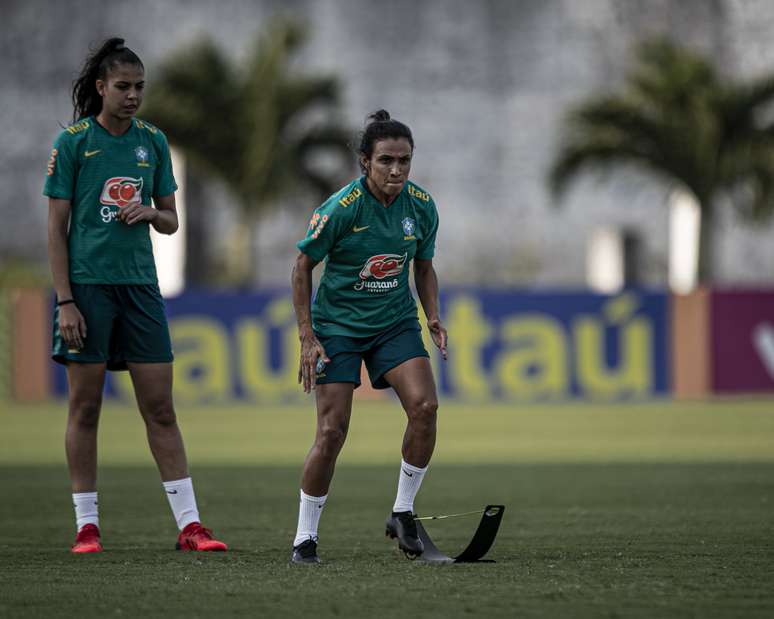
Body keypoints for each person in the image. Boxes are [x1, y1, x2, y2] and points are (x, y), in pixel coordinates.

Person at [44, 37, 226, 553]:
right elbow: (55, 229)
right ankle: (87, 526)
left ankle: (190, 526)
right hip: (87, 289)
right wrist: (65, 301)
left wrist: (149, 213)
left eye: (139, 87)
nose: (132, 95)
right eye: (122, 86)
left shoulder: (154, 142)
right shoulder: (74, 143)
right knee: (85, 408)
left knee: (160, 408)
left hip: (141, 288)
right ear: (100, 88)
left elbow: (170, 220)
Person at [290, 110, 448, 563]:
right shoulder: (340, 208)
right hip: (337, 328)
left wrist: (431, 313)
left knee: (426, 407)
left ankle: (402, 512)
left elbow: (423, 265)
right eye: (386, 161)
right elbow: (302, 266)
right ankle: (305, 538)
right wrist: (307, 334)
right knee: (332, 431)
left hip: (393, 323)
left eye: (404, 160)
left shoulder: (421, 206)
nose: (396, 170)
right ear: (365, 162)